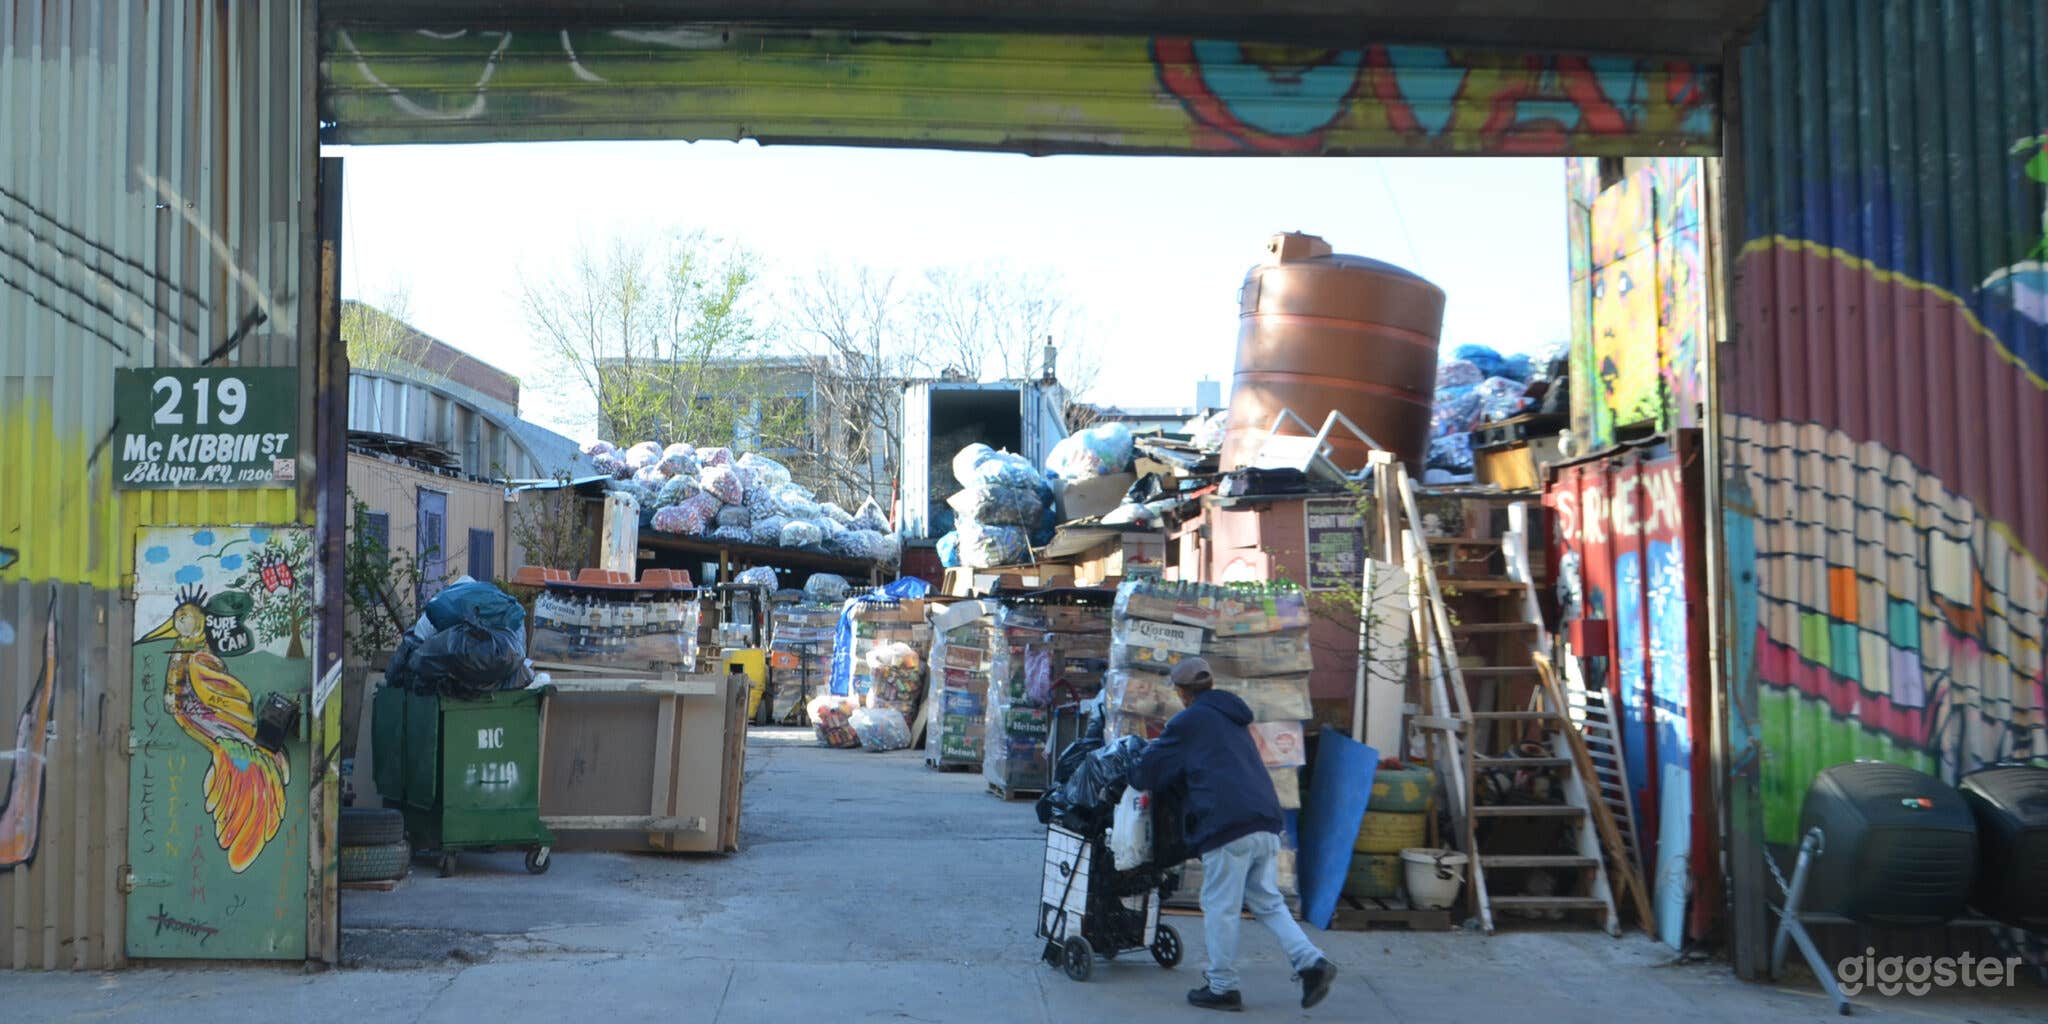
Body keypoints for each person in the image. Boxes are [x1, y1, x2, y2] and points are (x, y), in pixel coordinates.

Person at [1127, 657, 1337, 1012]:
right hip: (1265, 822)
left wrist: (1133, 769)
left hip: (1227, 825)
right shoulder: (1233, 719)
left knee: (1219, 907)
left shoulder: (1189, 722)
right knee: (1268, 902)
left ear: (1183, 693)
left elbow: (1147, 772)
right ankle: (1311, 962)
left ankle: (1222, 986)